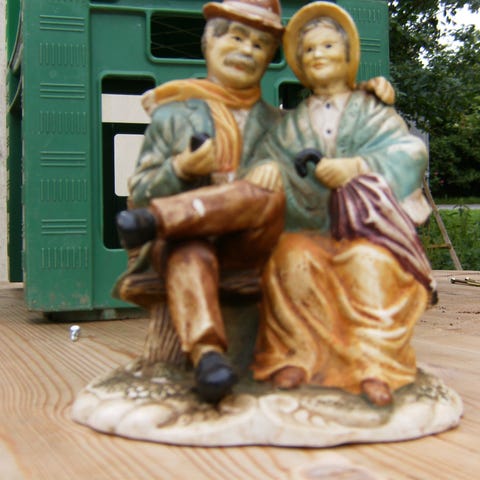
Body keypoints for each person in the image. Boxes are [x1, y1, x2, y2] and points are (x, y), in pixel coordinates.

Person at [115, 0, 397, 404]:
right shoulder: (172, 117)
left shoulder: (284, 124)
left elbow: (333, 145)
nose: (247, 51)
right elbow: (140, 190)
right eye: (236, 38)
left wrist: (367, 95)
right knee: (189, 249)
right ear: (209, 44)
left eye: (260, 44)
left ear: (269, 59)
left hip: (251, 247)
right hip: (183, 245)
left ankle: (159, 220)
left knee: (267, 189)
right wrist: (180, 168)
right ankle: (209, 358)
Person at [249, 2, 435, 406]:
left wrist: (358, 166)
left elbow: (409, 152)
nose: (317, 55)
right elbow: (271, 157)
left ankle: (374, 366)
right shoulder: (292, 122)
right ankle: (298, 356)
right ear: (298, 63)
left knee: (368, 263)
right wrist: (266, 169)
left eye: (328, 46)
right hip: (313, 227)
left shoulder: (372, 109)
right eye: (308, 49)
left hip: (365, 231)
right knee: (290, 256)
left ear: (348, 55)